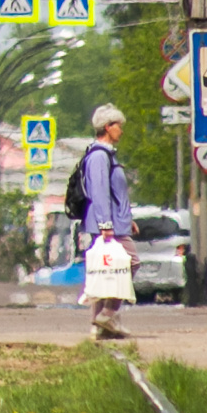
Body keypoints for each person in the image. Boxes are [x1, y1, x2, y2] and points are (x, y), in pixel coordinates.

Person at [77, 104, 136, 341]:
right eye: (118, 126)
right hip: (108, 226)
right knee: (130, 262)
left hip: (117, 223)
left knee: (104, 270)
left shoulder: (107, 155)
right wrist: (105, 224)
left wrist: (128, 220)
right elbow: (99, 192)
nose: (121, 130)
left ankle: (99, 325)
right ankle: (109, 313)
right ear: (107, 127)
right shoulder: (99, 156)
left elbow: (117, 193)